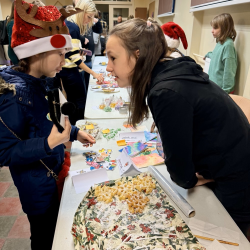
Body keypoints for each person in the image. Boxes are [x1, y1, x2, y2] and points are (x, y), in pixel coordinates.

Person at [105, 18, 250, 238]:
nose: (108, 66)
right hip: (231, 162)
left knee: (227, 237)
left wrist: (190, 179)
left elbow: (180, 173)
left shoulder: (165, 92)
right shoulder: (168, 72)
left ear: (137, 55)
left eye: (113, 58)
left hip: (237, 176)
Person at [0, 1, 96, 249]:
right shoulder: (11, 97)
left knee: (58, 230)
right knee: (44, 237)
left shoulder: (44, 81)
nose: (64, 62)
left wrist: (74, 132)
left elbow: (47, 122)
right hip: (38, 191)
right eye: (60, 54)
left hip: (53, 175)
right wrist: (49, 143)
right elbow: (5, 153)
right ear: (38, 52)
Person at [57, 0, 104, 125]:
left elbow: (69, 52)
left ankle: (75, 128)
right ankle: (79, 128)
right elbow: (74, 58)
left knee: (73, 101)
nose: (89, 20)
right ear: (81, 12)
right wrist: (94, 73)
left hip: (66, 70)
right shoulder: (72, 27)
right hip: (69, 71)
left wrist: (79, 52)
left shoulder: (70, 25)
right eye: (88, 16)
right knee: (80, 101)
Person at [204, 13, 237, 94]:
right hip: (214, 86)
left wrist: (226, 92)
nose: (212, 31)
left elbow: (229, 71)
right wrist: (208, 54)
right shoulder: (220, 42)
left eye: (215, 28)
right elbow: (216, 56)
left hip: (222, 91)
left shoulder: (228, 45)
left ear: (225, 28)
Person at [80, 15, 103, 92]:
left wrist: (97, 21)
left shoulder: (89, 25)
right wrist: (82, 38)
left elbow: (99, 31)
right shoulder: (78, 25)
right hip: (81, 60)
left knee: (88, 84)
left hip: (89, 59)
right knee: (82, 88)